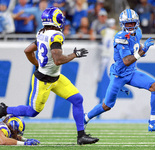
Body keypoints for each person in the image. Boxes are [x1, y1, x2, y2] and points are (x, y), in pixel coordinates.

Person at [0, 7, 99, 145]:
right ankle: (4, 110)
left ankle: (81, 136)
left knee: (77, 99)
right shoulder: (56, 35)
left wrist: (36, 63)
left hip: (56, 77)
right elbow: (58, 60)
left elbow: (28, 51)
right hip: (43, 80)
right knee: (33, 112)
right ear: (56, 20)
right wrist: (74, 55)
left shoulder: (42, 32)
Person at [84, 9, 155, 133]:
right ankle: (85, 118)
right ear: (122, 24)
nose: (129, 26)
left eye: (132, 23)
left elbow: (135, 44)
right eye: (127, 24)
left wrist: (139, 48)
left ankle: (153, 123)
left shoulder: (138, 32)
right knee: (107, 105)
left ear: (136, 23)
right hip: (119, 75)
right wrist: (142, 51)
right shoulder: (120, 37)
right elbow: (126, 61)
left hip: (132, 72)